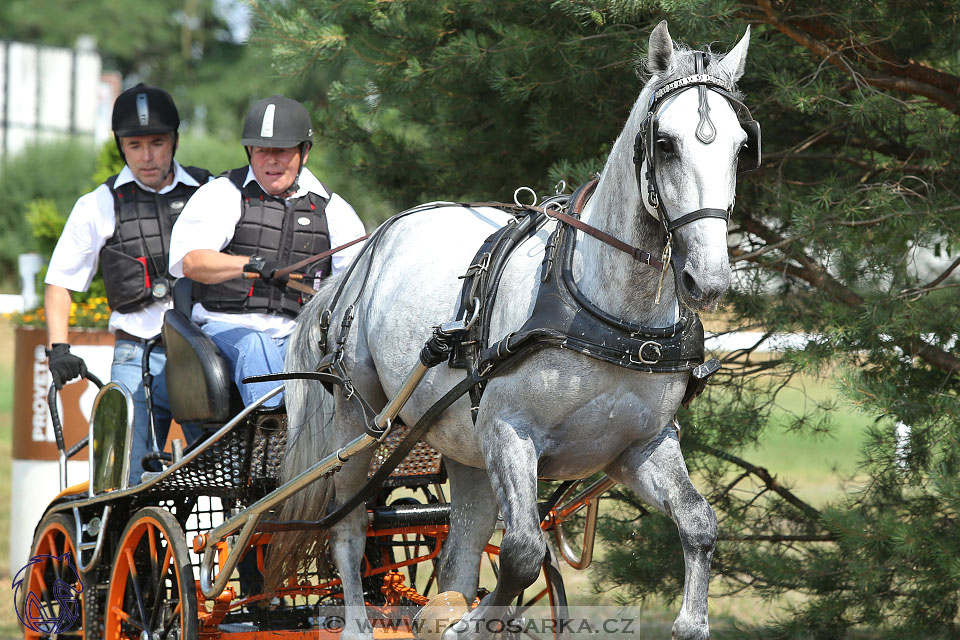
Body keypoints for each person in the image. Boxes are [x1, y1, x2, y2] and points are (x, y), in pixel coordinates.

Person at [44, 83, 211, 485]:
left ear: (174, 140)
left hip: (202, 352)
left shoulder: (209, 193)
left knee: (228, 474)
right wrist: (58, 348)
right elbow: (60, 282)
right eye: (135, 145)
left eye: (157, 142)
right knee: (125, 480)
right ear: (121, 146)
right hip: (137, 356)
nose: (148, 156)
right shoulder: (98, 204)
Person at [168, 94, 366, 409]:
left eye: (282, 151)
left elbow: (357, 283)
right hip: (225, 330)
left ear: (305, 152)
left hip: (298, 335)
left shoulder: (334, 210)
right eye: (262, 151)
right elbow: (192, 262)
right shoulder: (222, 194)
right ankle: (270, 438)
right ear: (250, 151)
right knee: (256, 344)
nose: (271, 161)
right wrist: (251, 264)